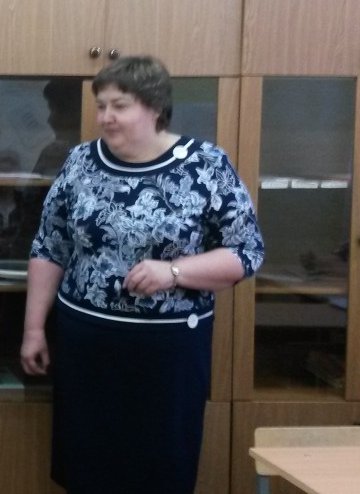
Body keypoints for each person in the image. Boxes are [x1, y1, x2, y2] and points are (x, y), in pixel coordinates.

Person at [19, 56, 264, 494]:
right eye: (101, 106)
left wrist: (173, 271)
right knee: (88, 466)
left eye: (120, 106)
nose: (105, 117)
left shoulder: (205, 164)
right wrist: (34, 329)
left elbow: (246, 252)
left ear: (155, 108)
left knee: (160, 467)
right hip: (87, 345)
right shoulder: (80, 162)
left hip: (168, 354)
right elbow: (50, 246)